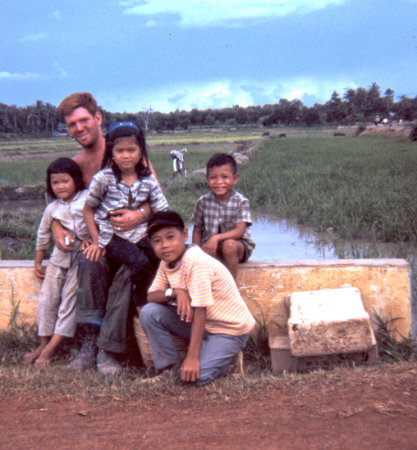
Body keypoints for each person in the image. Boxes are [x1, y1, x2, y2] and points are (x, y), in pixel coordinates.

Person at [55, 93, 157, 375]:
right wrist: (62, 228)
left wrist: (139, 214)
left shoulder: (128, 150)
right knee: (90, 264)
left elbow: (154, 200)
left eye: (84, 120)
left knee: (129, 269)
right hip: (103, 240)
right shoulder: (76, 164)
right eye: (72, 124)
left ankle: (107, 348)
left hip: (134, 240)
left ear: (98, 118)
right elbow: (63, 206)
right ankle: (90, 341)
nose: (79, 128)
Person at [140, 210, 255, 386]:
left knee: (196, 378)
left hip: (228, 329)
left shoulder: (196, 261)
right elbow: (151, 296)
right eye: (157, 240)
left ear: (185, 235)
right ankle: (170, 367)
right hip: (204, 324)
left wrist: (192, 359)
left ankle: (229, 360)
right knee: (150, 312)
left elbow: (200, 311)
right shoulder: (166, 262)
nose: (164, 245)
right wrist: (176, 292)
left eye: (170, 237)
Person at [83, 121, 169, 307]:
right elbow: (88, 209)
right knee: (139, 262)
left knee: (160, 255)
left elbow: (162, 209)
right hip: (112, 234)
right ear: (112, 154)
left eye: (131, 150)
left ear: (140, 152)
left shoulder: (147, 179)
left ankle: (158, 297)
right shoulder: (103, 178)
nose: (126, 156)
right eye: (120, 151)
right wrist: (97, 240)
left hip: (139, 232)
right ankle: (140, 303)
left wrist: (172, 231)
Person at [23, 158, 89, 366]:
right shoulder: (52, 208)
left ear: (76, 180)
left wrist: (93, 239)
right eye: (55, 183)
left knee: (69, 303)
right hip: (58, 261)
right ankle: (43, 343)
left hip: (81, 261)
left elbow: (98, 222)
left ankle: (51, 349)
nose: (60, 186)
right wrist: (38, 261)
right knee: (47, 301)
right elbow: (42, 234)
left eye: (65, 181)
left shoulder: (87, 199)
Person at [190, 153, 255, 279]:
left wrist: (216, 238)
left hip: (237, 248)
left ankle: (230, 287)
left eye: (225, 177)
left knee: (228, 245)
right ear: (207, 179)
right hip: (211, 248)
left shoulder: (241, 201)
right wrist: (196, 254)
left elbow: (239, 231)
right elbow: (197, 230)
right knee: (193, 255)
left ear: (235, 178)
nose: (219, 182)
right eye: (213, 178)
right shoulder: (202, 202)